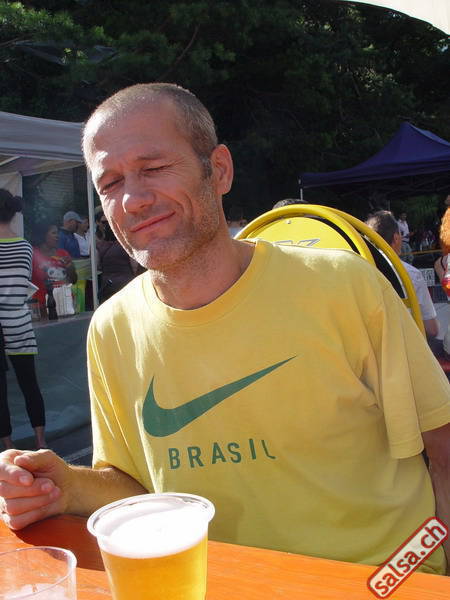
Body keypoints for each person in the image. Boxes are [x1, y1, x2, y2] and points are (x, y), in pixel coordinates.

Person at [0, 84, 449, 575]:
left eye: (154, 167)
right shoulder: (112, 328)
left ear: (218, 170)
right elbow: (140, 488)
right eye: (109, 183)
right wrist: (66, 486)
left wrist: (406, 579)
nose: (132, 199)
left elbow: (443, 448)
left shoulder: (343, 285)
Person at [0, 190, 47, 450]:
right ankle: (41, 441)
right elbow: (24, 281)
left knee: (1, 393)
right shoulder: (26, 247)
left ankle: (8, 446)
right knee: (30, 385)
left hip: (0, 325)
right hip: (21, 321)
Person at [366, 210, 439, 339]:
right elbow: (432, 329)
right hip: (404, 344)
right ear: (396, 238)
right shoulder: (412, 275)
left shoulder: (358, 272)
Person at [31, 222, 78, 315]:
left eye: (57, 233)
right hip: (42, 306)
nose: (57, 236)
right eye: (54, 233)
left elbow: (73, 280)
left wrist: (70, 267)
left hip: (65, 305)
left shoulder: (63, 254)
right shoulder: (33, 254)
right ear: (43, 235)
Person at [97, 219, 141, 303]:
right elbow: (134, 266)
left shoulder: (100, 246)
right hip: (125, 283)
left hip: (107, 285)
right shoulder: (126, 244)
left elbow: (98, 265)